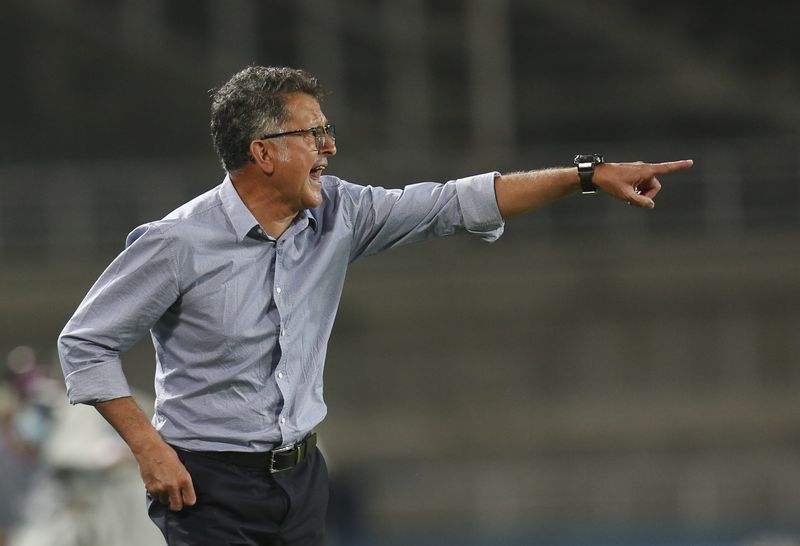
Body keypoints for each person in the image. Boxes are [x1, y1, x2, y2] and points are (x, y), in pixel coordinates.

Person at [57, 65, 693, 545]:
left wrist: (584, 176)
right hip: (208, 484)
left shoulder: (343, 212)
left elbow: (458, 201)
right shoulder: (177, 243)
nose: (329, 147)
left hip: (302, 477)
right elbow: (85, 341)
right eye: (314, 134)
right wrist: (148, 448)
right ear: (264, 152)